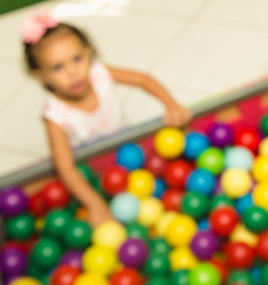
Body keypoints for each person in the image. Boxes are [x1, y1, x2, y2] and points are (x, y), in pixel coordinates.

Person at [21, 12, 191, 226]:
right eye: (58, 68)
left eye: (77, 59)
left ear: (88, 53)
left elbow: (142, 79)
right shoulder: (55, 115)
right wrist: (95, 204)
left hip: (129, 155)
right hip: (94, 174)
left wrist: (172, 105)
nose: (72, 72)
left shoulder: (99, 73)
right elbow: (65, 167)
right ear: (40, 76)